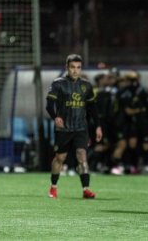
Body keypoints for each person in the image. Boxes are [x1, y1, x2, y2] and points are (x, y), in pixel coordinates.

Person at [46, 54, 102, 199]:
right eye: (72, 67)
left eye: (78, 67)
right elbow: (49, 105)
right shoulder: (58, 84)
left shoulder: (86, 86)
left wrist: (97, 126)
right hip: (63, 128)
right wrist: (55, 117)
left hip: (80, 128)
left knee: (82, 156)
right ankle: (53, 186)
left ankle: (86, 189)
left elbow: (92, 108)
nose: (75, 71)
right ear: (67, 67)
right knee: (60, 158)